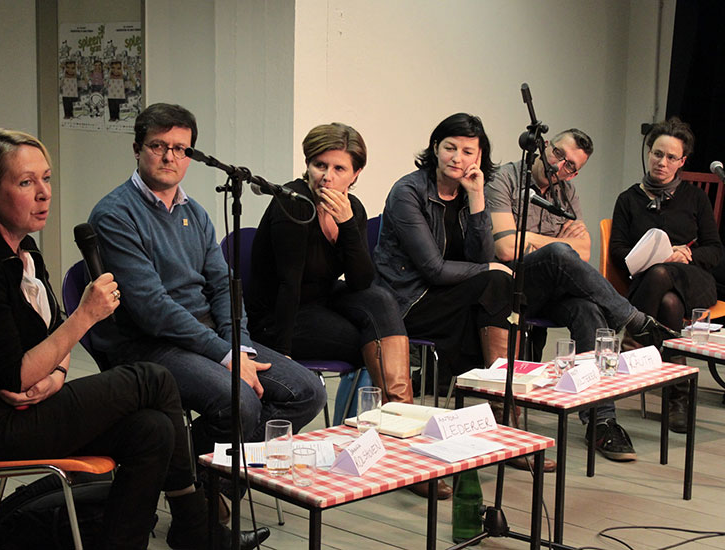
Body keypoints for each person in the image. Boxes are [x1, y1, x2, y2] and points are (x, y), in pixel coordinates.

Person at [0, 129, 268, 550]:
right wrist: (86, 316)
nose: (44, 194)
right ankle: (195, 529)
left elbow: (53, 340)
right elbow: (15, 374)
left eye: (46, 179)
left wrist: (56, 375)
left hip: (34, 403)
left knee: (154, 429)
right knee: (154, 379)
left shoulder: (24, 252)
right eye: (26, 182)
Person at [88, 103, 326, 462]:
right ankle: (190, 482)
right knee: (240, 403)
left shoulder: (194, 212)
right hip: (148, 343)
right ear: (137, 150)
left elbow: (223, 286)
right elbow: (152, 309)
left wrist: (240, 348)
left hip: (209, 336)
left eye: (181, 149)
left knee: (308, 391)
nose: (170, 156)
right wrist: (225, 355)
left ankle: (205, 477)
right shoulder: (114, 214)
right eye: (158, 146)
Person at [247, 123, 446, 498]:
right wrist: (284, 352)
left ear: (355, 174)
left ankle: (401, 434)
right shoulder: (292, 203)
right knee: (370, 339)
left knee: (381, 302)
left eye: (339, 169)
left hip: (322, 301)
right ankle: (391, 442)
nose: (327, 176)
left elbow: (360, 281)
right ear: (308, 165)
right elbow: (288, 285)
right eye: (320, 165)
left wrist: (346, 228)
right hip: (278, 315)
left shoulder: (351, 207)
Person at [486, 128, 680, 462]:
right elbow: (505, 248)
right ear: (546, 146)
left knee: (587, 311)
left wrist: (534, 239)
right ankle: (632, 319)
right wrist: (556, 243)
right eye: (559, 154)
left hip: (551, 288)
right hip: (508, 285)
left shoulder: (566, 192)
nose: (560, 166)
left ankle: (601, 420)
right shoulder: (503, 180)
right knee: (560, 254)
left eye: (571, 166)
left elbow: (585, 250)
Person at [374, 113, 550, 473]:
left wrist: (477, 198)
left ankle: (489, 418)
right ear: (435, 149)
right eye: (449, 147)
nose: (458, 157)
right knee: (497, 284)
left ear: (480, 156)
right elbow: (434, 269)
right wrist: (489, 270)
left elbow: (480, 256)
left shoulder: (466, 190)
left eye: (468, 150)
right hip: (408, 302)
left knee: (493, 291)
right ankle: (501, 418)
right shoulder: (407, 192)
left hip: (451, 298)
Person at [610, 118, 721, 433]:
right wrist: (648, 255)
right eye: (658, 153)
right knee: (669, 303)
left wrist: (687, 254)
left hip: (695, 281)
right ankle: (678, 398)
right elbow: (617, 249)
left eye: (672, 157)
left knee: (663, 275)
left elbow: (714, 250)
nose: (662, 162)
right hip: (649, 280)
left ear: (682, 162)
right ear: (648, 152)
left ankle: (631, 341)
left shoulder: (696, 198)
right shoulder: (629, 199)